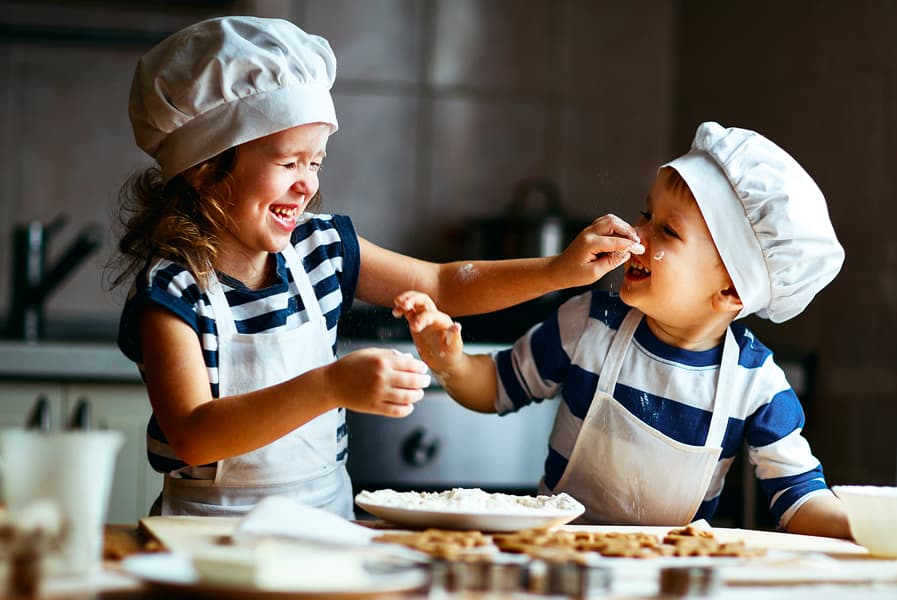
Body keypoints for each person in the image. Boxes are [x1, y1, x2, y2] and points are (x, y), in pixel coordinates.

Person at [111, 15, 646, 518]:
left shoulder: (322, 248)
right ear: (206, 169)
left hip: (325, 530)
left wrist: (558, 271)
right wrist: (328, 386)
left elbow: (442, 283)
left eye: (316, 161)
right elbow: (192, 433)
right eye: (288, 161)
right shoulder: (173, 291)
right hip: (204, 542)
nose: (308, 184)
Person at [395, 121, 852, 538]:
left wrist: (862, 526)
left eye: (667, 231)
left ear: (732, 289)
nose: (637, 234)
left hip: (669, 577)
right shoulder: (589, 324)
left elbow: (800, 499)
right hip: (556, 563)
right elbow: (495, 387)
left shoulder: (756, 385)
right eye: (645, 214)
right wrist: (450, 362)